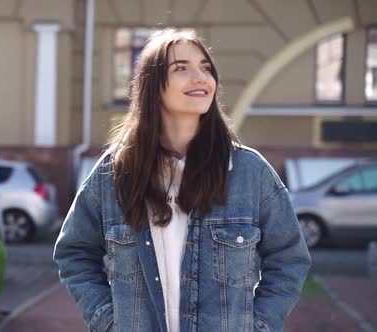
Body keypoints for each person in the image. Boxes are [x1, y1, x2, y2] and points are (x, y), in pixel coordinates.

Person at [53, 28, 311, 332]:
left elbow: (289, 259)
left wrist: (260, 326)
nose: (200, 77)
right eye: (181, 68)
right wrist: (109, 322)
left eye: (205, 67)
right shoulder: (114, 172)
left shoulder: (249, 172)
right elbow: (75, 253)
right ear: (153, 85)